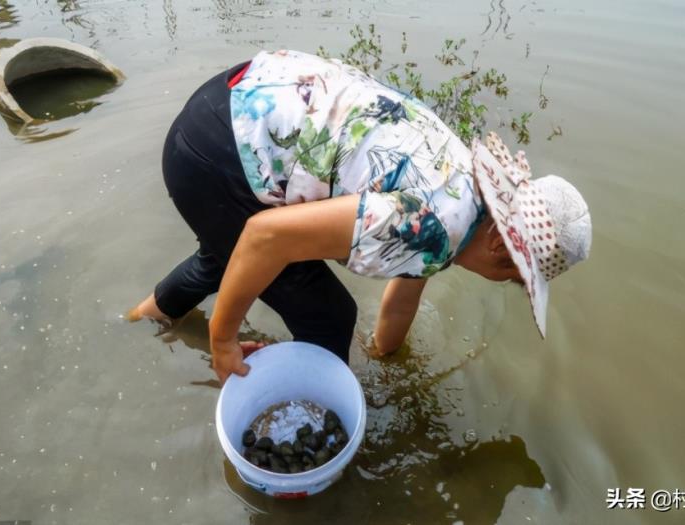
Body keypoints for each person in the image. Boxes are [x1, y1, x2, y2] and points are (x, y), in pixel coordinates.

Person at [128, 50, 592, 384]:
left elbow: (402, 300)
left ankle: (138, 325)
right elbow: (264, 237)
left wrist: (385, 363)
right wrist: (224, 340)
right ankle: (314, 444)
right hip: (219, 154)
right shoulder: (435, 230)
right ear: (499, 247)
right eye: (514, 277)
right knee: (329, 316)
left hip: (233, 104)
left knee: (225, 259)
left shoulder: (463, 192)